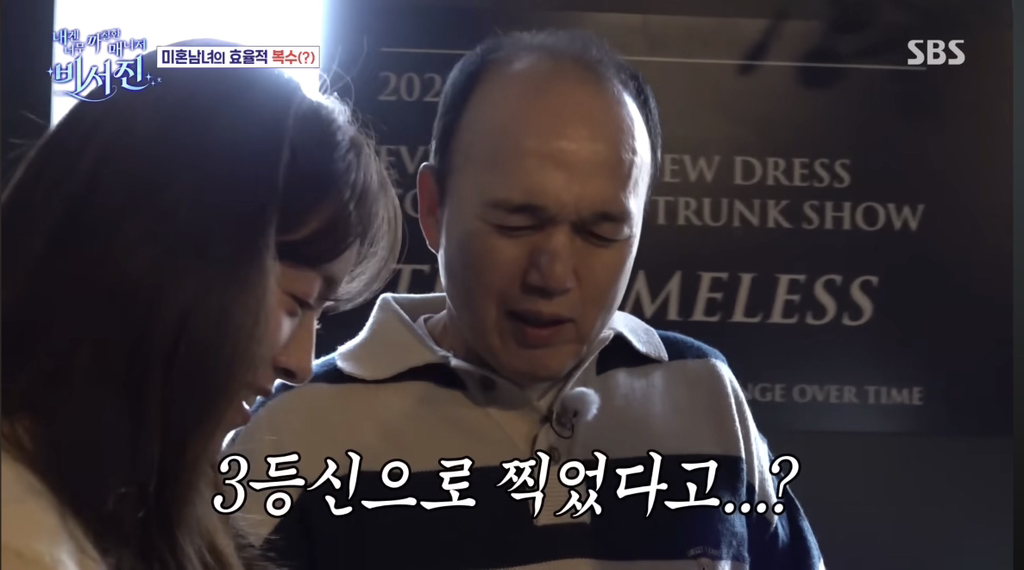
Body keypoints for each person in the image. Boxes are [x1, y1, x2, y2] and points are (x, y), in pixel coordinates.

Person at [228, 29, 825, 569]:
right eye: (516, 223)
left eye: (601, 232)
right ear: (433, 208)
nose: (553, 275)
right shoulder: (292, 438)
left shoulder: (705, 392)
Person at [0, 42, 403, 570]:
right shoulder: (26, 545)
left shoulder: (108, 506)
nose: (301, 364)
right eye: (298, 303)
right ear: (161, 260)